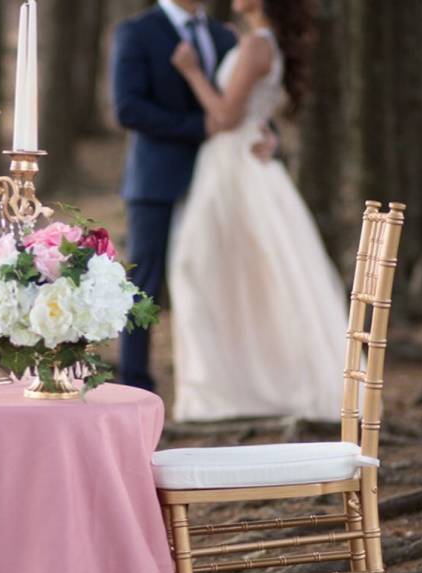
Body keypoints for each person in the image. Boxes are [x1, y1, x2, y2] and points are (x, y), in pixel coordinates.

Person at [168, 0, 348, 422]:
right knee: (244, 274)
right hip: (244, 161)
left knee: (199, 266)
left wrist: (192, 71)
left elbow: (228, 116)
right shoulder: (256, 43)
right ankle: (237, 386)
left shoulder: (256, 47)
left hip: (234, 163)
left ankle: (226, 389)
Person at [111, 0, 276, 392]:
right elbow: (127, 109)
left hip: (220, 180)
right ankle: (135, 385)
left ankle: (215, 382)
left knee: (217, 278)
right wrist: (198, 126)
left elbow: (243, 99)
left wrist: (269, 134)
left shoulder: (224, 35)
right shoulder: (137, 32)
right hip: (156, 181)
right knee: (143, 284)